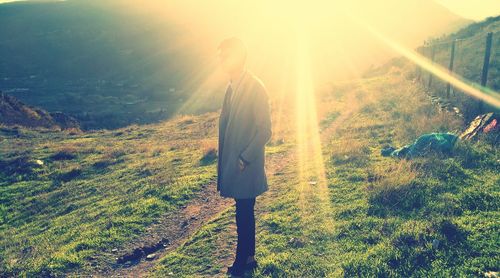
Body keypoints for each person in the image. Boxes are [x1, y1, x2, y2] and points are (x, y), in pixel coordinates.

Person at [216, 37, 272, 277]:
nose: (221, 60)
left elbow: (265, 130)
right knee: (243, 210)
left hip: (245, 165)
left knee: (244, 211)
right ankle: (247, 258)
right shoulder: (232, 87)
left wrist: (244, 158)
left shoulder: (254, 87)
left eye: (225, 55)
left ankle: (243, 261)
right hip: (236, 163)